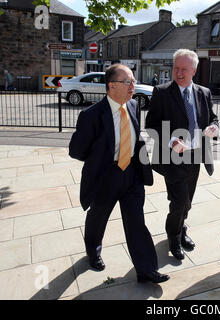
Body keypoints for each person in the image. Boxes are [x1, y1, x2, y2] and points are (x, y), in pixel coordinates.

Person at [69, 64, 169, 283]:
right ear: (111, 86)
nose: (133, 86)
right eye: (128, 82)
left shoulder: (133, 105)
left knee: (136, 221)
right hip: (106, 177)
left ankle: (146, 269)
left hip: (132, 174)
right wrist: (100, 159)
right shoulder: (91, 115)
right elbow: (76, 151)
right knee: (98, 217)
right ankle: (93, 251)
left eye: (133, 81)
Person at [145, 49, 219, 260]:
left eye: (184, 69)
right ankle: (174, 237)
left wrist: (214, 128)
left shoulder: (203, 93)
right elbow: (151, 125)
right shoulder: (161, 92)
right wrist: (171, 140)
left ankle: (181, 227)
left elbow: (213, 118)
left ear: (193, 70)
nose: (178, 72)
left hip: (195, 156)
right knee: (179, 202)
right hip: (172, 157)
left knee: (187, 201)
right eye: (176, 68)